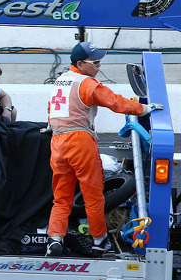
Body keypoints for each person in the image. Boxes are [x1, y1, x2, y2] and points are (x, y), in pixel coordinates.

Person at [46, 42, 163, 257]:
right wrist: (145, 108)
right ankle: (99, 241)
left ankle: (54, 238)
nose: (99, 66)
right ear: (80, 63)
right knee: (93, 196)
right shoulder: (88, 83)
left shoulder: (60, 81)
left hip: (57, 142)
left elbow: (51, 110)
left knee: (61, 198)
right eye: (95, 62)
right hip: (80, 141)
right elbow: (116, 103)